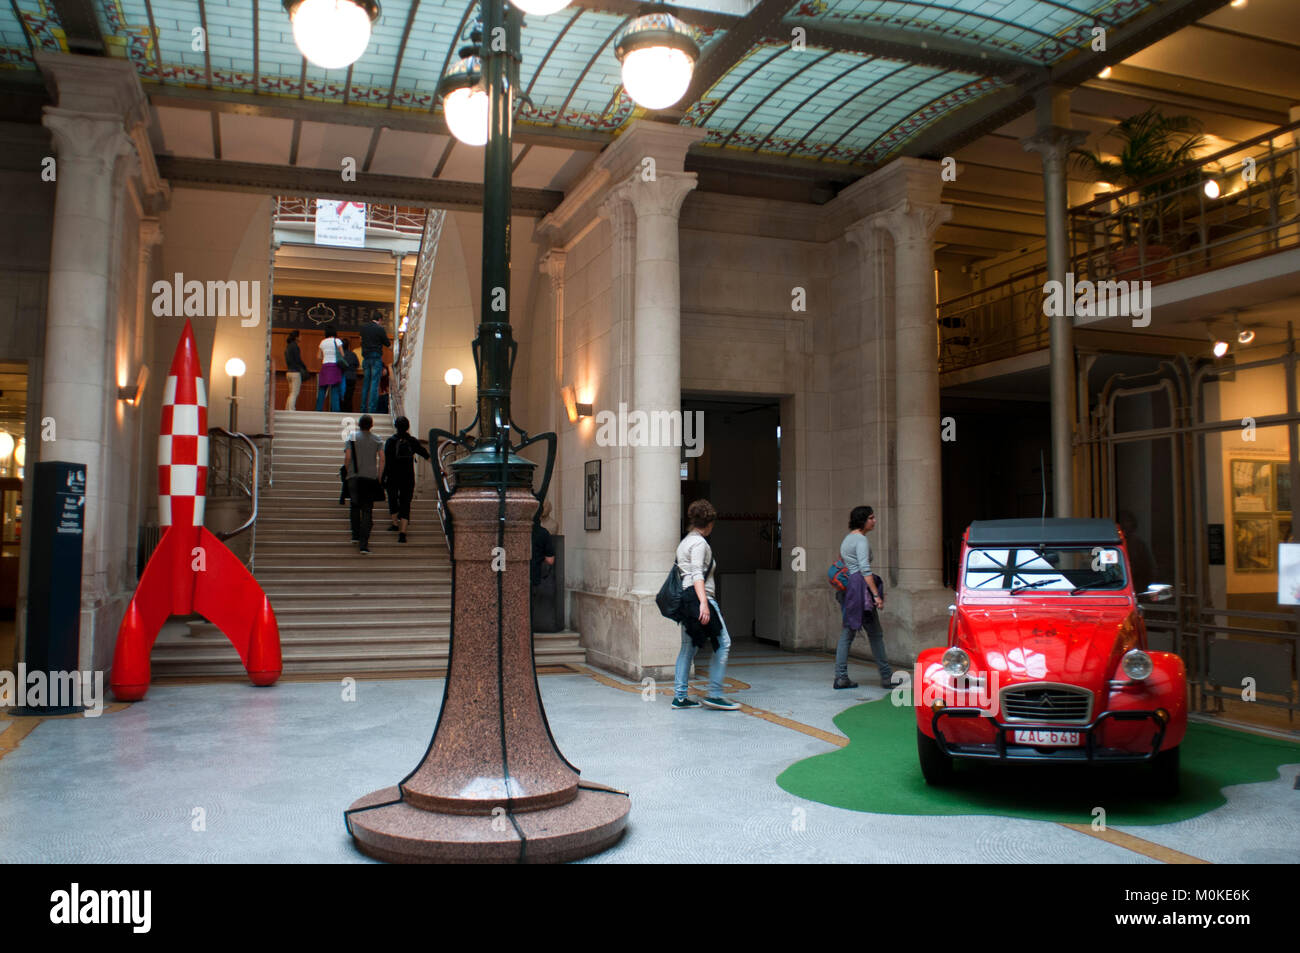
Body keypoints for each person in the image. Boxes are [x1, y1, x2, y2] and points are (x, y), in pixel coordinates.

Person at [672, 499, 739, 711]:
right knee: (723, 643)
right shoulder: (700, 543)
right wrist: (704, 603)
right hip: (701, 598)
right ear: (709, 524)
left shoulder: (685, 542)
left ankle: (680, 697)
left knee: (687, 648)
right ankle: (715, 694)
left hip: (686, 599)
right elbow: (697, 574)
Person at [834, 505, 894, 690]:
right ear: (862, 520)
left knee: (848, 633)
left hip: (851, 589)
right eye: (871, 517)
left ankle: (841, 676)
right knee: (875, 634)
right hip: (860, 589)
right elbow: (864, 569)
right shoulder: (860, 540)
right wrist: (876, 595)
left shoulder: (847, 539)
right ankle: (886, 677)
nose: (874, 521)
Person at [382, 415, 429, 543]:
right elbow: (425, 454)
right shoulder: (412, 441)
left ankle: (394, 523)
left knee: (392, 499)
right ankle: (402, 533)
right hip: (408, 476)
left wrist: (383, 477)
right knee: (405, 503)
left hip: (392, 476)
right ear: (408, 427)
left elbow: (387, 461)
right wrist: (439, 469)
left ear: (396, 426)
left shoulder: (390, 441)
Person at [343, 414, 385, 554]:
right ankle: (364, 544)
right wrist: (379, 476)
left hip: (354, 477)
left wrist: (346, 471)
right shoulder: (377, 439)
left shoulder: (351, 437)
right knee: (367, 510)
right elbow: (382, 459)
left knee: (355, 506)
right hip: (370, 478)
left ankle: (355, 534)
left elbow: (348, 456)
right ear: (371, 425)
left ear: (359, 424)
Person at [360, 310, 391, 414]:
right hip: (376, 357)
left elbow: (361, 340)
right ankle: (372, 410)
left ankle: (363, 409)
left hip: (366, 358)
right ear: (380, 319)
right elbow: (387, 343)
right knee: (374, 384)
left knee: (366, 384)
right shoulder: (380, 329)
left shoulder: (363, 328)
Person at [316, 326, 346, 412]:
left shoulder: (322, 342)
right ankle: (335, 410)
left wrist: (326, 356)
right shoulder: (337, 341)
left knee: (322, 389)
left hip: (325, 366)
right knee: (335, 390)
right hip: (335, 367)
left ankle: (318, 409)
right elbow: (342, 355)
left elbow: (318, 356)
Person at [283, 329, 310, 410]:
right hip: (295, 373)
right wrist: (304, 367)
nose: (301, 337)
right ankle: (291, 410)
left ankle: (287, 409)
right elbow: (298, 360)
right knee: (294, 393)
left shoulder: (288, 346)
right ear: (296, 337)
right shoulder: (295, 346)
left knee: (291, 393)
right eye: (300, 335)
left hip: (289, 372)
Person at [341, 338, 360, 412]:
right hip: (352, 377)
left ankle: (341, 412)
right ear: (348, 346)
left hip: (342, 377)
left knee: (342, 396)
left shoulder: (340, 355)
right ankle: (348, 412)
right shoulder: (353, 354)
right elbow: (357, 364)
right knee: (349, 397)